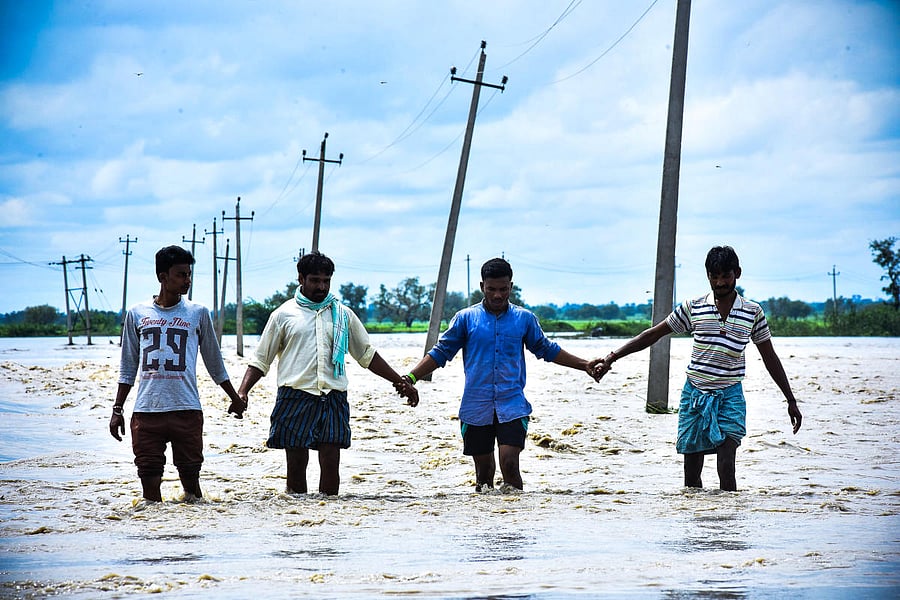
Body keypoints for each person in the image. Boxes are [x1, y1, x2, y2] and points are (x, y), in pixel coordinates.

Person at [589, 245, 803, 491]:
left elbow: (770, 357)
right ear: (708, 276)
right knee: (691, 473)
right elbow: (652, 335)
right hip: (695, 395)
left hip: (730, 395)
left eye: (726, 276)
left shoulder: (752, 312)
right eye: (715, 276)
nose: (720, 282)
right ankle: (696, 525)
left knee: (726, 465)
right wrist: (611, 358)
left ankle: (727, 522)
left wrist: (790, 399)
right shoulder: (693, 307)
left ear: (738, 273)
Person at [398, 257, 601, 493]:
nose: (497, 295)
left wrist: (585, 365)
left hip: (512, 404)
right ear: (482, 286)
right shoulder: (465, 319)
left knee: (510, 463)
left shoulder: (524, 319)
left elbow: (546, 349)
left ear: (511, 287)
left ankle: (513, 523)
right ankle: (487, 525)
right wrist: (410, 378)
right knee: (483, 475)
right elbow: (441, 352)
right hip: (476, 407)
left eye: (503, 289)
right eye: (491, 289)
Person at [237, 251, 418, 496]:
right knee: (296, 466)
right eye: (315, 280)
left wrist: (400, 381)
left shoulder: (343, 315)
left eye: (326, 281)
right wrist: (243, 391)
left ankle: (329, 526)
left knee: (331, 464)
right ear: (301, 279)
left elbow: (366, 355)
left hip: (333, 397)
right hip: (295, 396)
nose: (321, 286)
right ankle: (297, 522)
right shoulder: (283, 315)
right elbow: (261, 360)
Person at [109, 245, 246, 503]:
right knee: (149, 490)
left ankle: (189, 540)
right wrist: (117, 409)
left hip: (187, 410)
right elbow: (128, 366)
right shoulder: (137, 314)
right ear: (163, 277)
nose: (188, 280)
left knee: (192, 491)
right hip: (147, 413)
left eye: (189, 274)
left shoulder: (198, 313)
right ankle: (155, 540)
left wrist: (234, 398)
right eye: (181, 274)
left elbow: (214, 363)